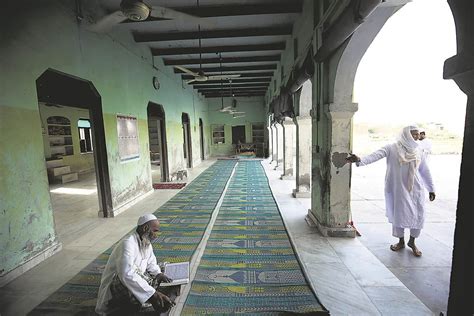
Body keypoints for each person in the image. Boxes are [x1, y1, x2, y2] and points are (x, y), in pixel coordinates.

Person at [346, 126, 436, 257]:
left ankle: (412, 242)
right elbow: (375, 156)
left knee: (418, 215)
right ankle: (401, 241)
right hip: (398, 189)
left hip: (416, 188)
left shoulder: (419, 150)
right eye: (414, 134)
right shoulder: (392, 148)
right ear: (407, 135)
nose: (417, 137)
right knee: (399, 214)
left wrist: (431, 188)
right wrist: (360, 160)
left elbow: (424, 170)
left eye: (418, 134)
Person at [95, 214, 175, 315]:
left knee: (164, 266)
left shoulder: (145, 241)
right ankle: (146, 302)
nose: (156, 235)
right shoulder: (128, 243)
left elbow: (150, 261)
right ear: (146, 228)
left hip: (138, 275)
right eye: (155, 231)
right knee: (127, 280)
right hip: (117, 284)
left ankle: (149, 296)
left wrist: (158, 273)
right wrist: (153, 294)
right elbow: (126, 274)